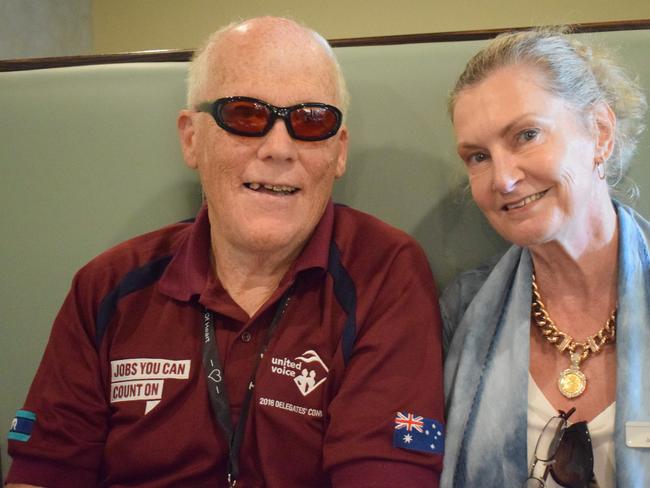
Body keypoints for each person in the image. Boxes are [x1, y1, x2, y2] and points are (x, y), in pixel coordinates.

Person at [6, 17, 445, 487]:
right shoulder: (106, 286)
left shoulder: (384, 271)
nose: (279, 148)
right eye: (245, 115)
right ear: (191, 138)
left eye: (311, 121)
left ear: (339, 153)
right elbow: (42, 476)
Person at [440, 28, 649, 487]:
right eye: (478, 157)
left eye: (526, 135)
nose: (503, 178)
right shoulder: (461, 309)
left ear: (600, 132)